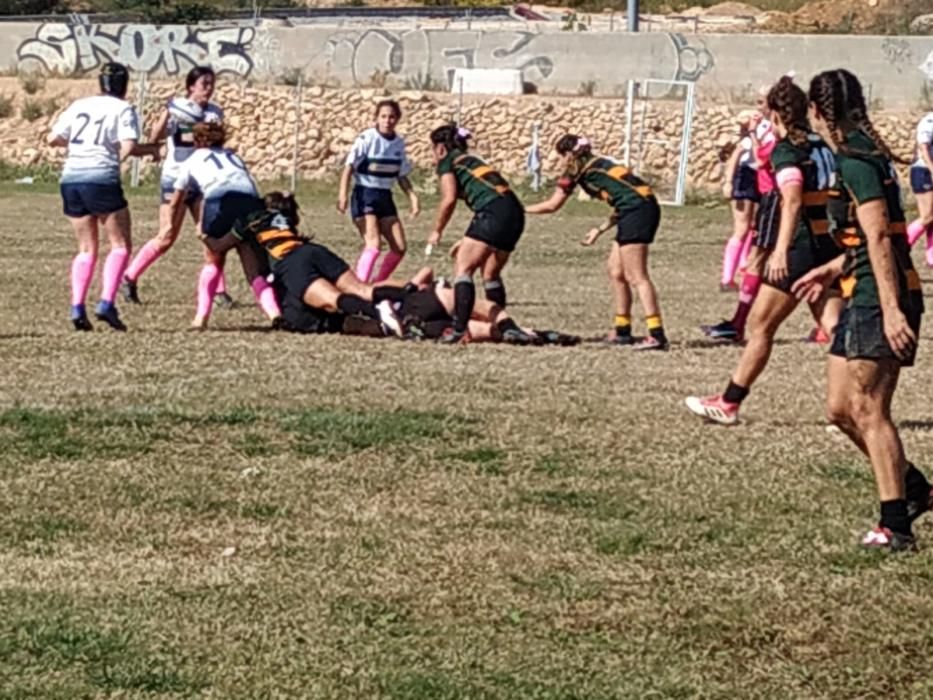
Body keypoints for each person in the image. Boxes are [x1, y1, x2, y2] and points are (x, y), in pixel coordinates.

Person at [793, 69, 930, 551]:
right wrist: (831, 270)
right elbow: (865, 234)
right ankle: (914, 489)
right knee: (839, 409)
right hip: (859, 290)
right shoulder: (858, 154)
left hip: (879, 296)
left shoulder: (854, 160)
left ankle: (896, 527)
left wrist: (892, 310)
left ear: (815, 110)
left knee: (870, 409)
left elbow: (878, 236)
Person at [685, 76, 843, 424]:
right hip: (826, 244)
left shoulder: (788, 149)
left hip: (801, 247)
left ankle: (729, 403)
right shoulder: (823, 145)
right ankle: (851, 409)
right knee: (835, 328)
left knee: (760, 327)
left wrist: (781, 250)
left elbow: (792, 199)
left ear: (774, 112)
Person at [526, 134, 668, 350]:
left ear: (569, 155)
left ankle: (657, 334)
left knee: (637, 276)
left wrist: (518, 209)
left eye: (561, 156)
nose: (560, 162)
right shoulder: (598, 164)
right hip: (637, 209)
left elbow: (553, 205)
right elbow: (626, 197)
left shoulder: (577, 171)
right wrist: (599, 230)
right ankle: (622, 330)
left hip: (638, 212)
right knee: (615, 271)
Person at [47, 62, 160, 331]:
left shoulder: (80, 105)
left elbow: (54, 139)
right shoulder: (123, 109)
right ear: (124, 86)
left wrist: (81, 147)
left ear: (101, 84)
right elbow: (129, 146)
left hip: (71, 178)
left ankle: (77, 307)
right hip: (100, 178)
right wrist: (145, 151)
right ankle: (107, 303)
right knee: (120, 244)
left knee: (86, 248)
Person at [204, 190, 406, 336]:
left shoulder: (250, 219)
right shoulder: (287, 219)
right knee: (360, 289)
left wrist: (204, 235)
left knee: (333, 300)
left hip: (291, 262)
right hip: (313, 250)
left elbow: (219, 246)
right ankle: (412, 295)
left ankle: (378, 311)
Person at [121, 66, 233, 306]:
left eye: (212, 84)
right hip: (175, 178)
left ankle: (217, 290)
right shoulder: (177, 107)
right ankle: (129, 278)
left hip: (202, 180)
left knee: (210, 234)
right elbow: (157, 137)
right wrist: (167, 115)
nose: (209, 89)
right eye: (205, 84)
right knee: (167, 235)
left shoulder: (214, 113)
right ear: (191, 86)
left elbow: (213, 143)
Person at [167, 122, 280, 329]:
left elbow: (176, 199)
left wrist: (169, 224)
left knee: (213, 259)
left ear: (199, 141)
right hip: (250, 204)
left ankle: (201, 318)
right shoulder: (234, 157)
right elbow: (252, 187)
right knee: (253, 269)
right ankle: (275, 314)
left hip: (221, 201)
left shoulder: (194, 159)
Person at [425, 124, 525, 344]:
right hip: (514, 211)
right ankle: (501, 325)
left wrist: (437, 230)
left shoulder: (447, 161)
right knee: (490, 273)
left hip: (492, 211)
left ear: (440, 148)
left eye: (432, 149)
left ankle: (458, 329)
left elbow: (449, 198)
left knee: (463, 268)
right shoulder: (470, 160)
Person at [337, 100, 420, 283]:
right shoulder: (367, 139)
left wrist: (412, 197)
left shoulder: (398, 143)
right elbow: (349, 166)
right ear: (376, 118)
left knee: (399, 247)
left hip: (385, 196)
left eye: (392, 117)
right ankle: (358, 289)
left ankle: (376, 284)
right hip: (365, 194)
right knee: (374, 245)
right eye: (383, 116)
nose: (387, 121)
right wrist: (343, 194)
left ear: (397, 119)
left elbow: (401, 175)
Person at [720, 95, 771, 291]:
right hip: (746, 176)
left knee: (753, 226)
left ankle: (743, 266)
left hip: (759, 177)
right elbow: (737, 154)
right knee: (741, 228)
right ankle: (726, 278)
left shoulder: (768, 125)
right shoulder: (755, 125)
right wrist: (729, 182)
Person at [907, 109, 933, 267]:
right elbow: (923, 148)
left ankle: (931, 256)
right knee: (928, 216)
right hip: (923, 171)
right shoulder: (929, 121)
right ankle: (902, 244)